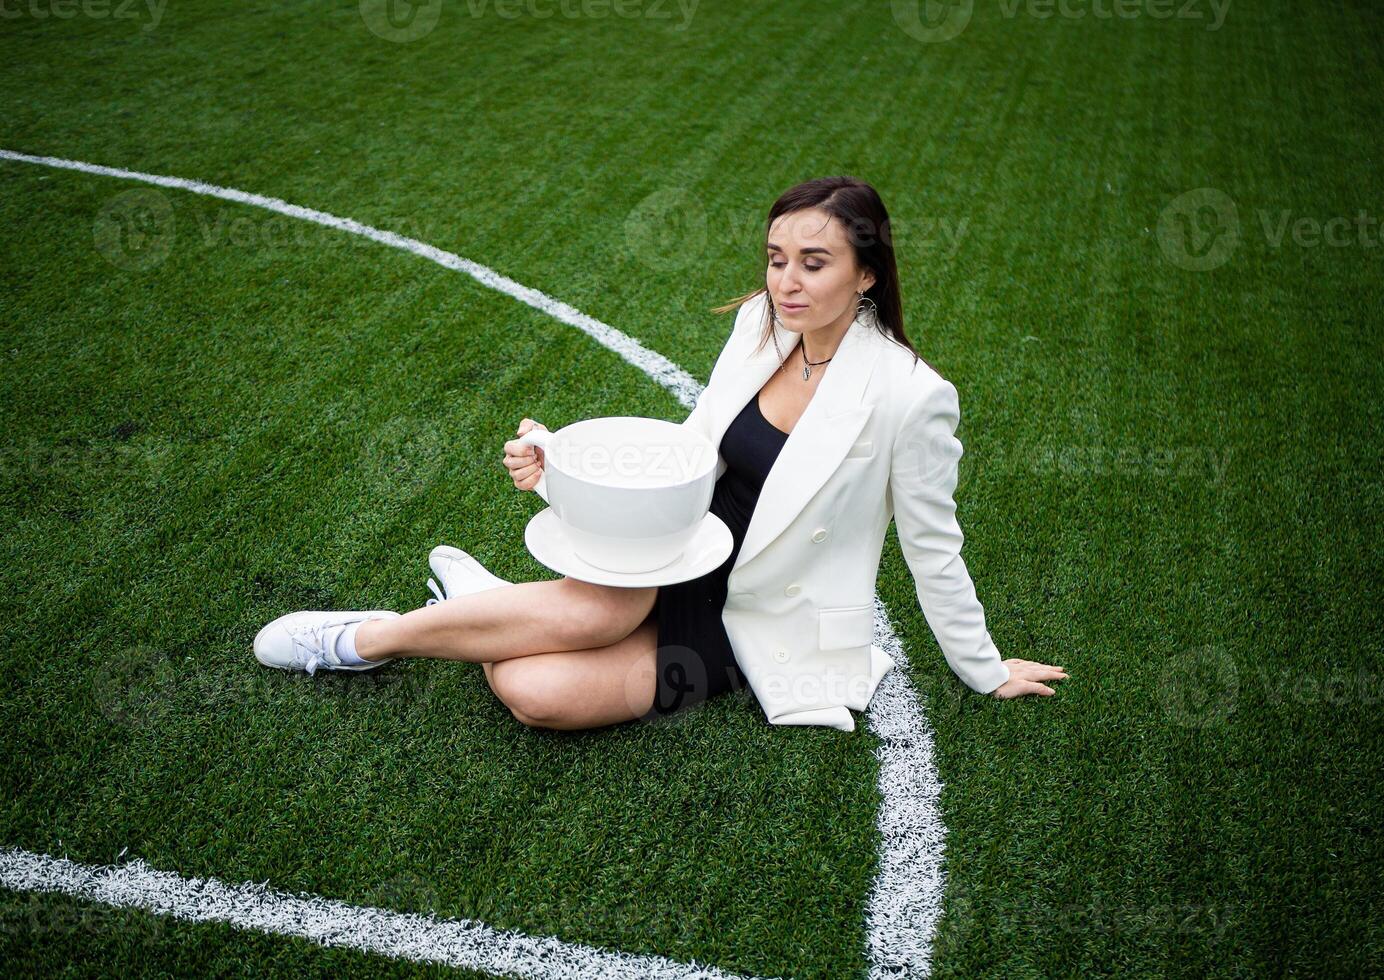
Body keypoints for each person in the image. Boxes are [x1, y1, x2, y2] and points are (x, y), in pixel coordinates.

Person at [253, 176, 1069, 730]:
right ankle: (368, 640)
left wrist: (984, 665)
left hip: (770, 607)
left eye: (814, 264)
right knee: (597, 610)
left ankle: (486, 602)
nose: (787, 282)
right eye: (777, 258)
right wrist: (561, 476)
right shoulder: (762, 322)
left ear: (865, 275)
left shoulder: (912, 394)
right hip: (682, 544)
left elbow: (934, 544)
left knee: (537, 693)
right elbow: (689, 453)